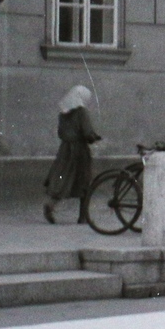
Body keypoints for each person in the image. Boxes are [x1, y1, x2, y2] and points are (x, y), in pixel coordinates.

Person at [43, 85, 101, 224]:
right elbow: (87, 132)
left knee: (61, 178)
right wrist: (94, 137)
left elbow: (60, 132)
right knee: (84, 181)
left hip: (65, 149)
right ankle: (83, 216)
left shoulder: (63, 113)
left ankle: (51, 204)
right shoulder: (81, 112)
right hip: (80, 150)